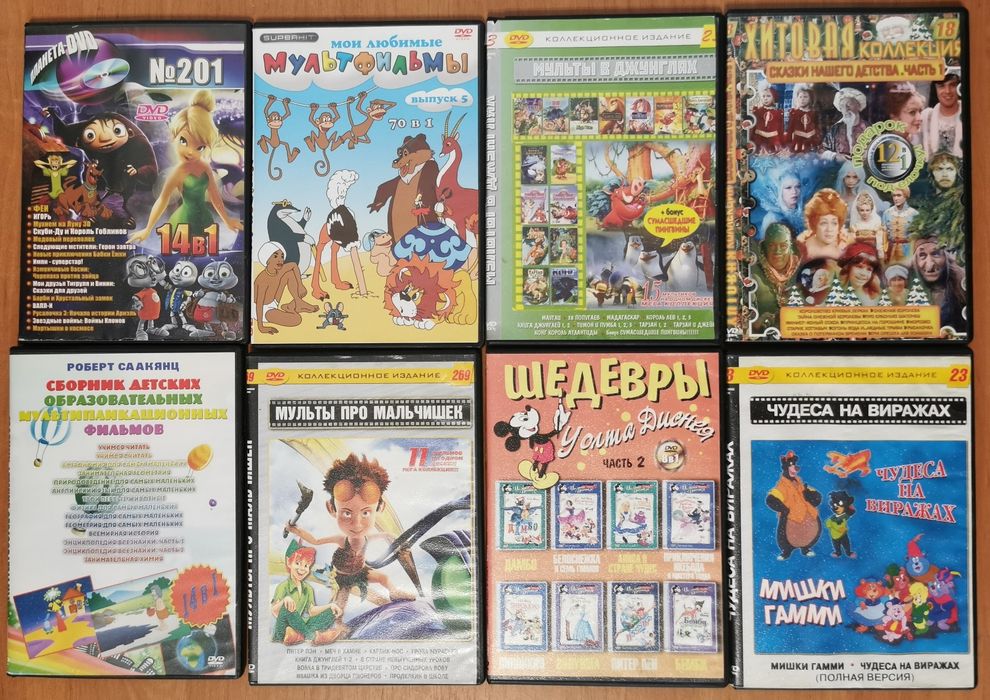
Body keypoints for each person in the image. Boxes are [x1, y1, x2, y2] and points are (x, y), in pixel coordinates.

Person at [287, 453, 415, 645]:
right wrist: (295, 529)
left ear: (380, 508)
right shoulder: (342, 540)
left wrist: (397, 542)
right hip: (343, 577)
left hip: (360, 572)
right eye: (347, 513)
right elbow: (316, 540)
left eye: (366, 512)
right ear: (332, 509)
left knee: (383, 578)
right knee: (340, 603)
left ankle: (394, 592)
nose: (357, 524)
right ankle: (338, 626)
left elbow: (387, 535)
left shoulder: (367, 537)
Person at [128, 90, 243, 244]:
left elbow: (215, 197)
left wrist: (227, 221)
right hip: (182, 222)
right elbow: (162, 200)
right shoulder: (179, 172)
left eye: (200, 147)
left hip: (204, 221)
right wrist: (148, 229)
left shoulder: (205, 167)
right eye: (183, 141)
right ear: (174, 137)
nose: (190, 151)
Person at [270, 539, 340, 645]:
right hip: (283, 629)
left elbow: (311, 611)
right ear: (289, 562)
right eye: (298, 563)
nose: (302, 569)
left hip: (299, 627)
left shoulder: (308, 589)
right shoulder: (283, 586)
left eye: (306, 565)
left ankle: (298, 636)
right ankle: (313, 637)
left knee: (331, 612)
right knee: (286, 607)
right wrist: (285, 600)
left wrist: (330, 606)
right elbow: (274, 611)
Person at [912, 235, 966, 331]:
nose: (930, 265)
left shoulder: (962, 286)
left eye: (935, 254)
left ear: (946, 257)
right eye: (922, 255)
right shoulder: (908, 291)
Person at [751, 223, 799, 331]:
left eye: (783, 246)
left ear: (791, 247)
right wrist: (756, 325)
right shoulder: (754, 277)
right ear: (764, 247)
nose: (777, 251)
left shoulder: (802, 274)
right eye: (772, 246)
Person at [796, 189, 853, 262]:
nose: (829, 229)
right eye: (823, 223)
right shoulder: (802, 249)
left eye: (834, 223)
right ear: (814, 224)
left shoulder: (847, 244)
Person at [921, 71, 963, 158]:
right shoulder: (926, 117)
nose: (947, 91)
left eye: (952, 85)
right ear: (935, 89)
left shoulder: (970, 114)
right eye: (941, 86)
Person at [826, 87, 867, 157]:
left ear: (858, 105)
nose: (846, 109)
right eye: (842, 106)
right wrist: (835, 156)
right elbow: (823, 150)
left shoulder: (868, 128)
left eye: (849, 104)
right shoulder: (835, 129)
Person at [838, 242, 883, 306]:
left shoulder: (873, 299)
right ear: (848, 268)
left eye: (869, 269)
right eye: (859, 267)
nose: (864, 274)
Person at [881, 187, 918, 266]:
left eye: (899, 195)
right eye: (894, 196)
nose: (896, 198)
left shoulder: (913, 213)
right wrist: (884, 251)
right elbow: (884, 235)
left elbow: (916, 236)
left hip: (908, 251)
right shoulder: (887, 213)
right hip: (891, 251)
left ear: (905, 196)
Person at [849, 192, 888, 257]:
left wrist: (880, 256)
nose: (865, 213)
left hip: (873, 254)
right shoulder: (855, 226)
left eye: (867, 210)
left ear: (871, 210)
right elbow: (852, 243)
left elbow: (879, 244)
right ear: (858, 210)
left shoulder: (876, 224)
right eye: (862, 210)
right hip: (858, 254)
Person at [785, 85, 820, 152]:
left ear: (810, 99)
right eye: (800, 97)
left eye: (805, 97)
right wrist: (788, 143)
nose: (802, 99)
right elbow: (790, 129)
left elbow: (817, 128)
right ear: (797, 98)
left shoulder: (814, 113)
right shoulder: (794, 113)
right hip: (797, 143)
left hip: (811, 143)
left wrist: (817, 142)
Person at [751, 86, 784, 154]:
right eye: (763, 96)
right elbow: (753, 127)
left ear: (773, 98)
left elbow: (780, 129)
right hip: (759, 140)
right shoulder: (757, 111)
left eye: (768, 96)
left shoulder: (779, 113)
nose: (765, 98)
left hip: (773, 141)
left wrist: (781, 143)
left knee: (772, 155)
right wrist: (750, 140)